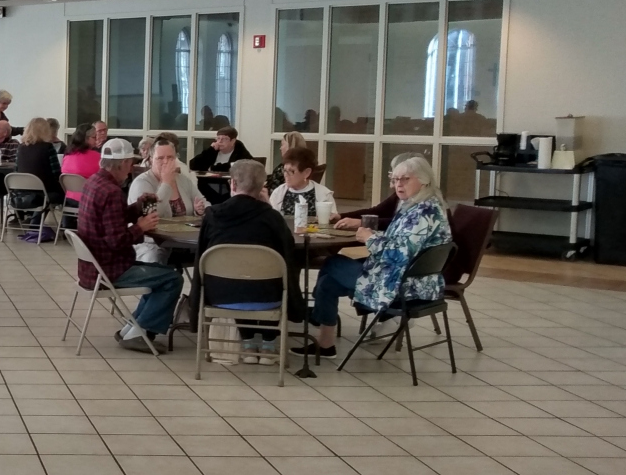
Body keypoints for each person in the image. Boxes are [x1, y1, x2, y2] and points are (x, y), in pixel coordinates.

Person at [301, 154, 452, 359]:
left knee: (333, 263)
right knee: (328, 283)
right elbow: (401, 241)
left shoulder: (423, 213)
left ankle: (313, 317)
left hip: (403, 285)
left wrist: (370, 238)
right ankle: (325, 345)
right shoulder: (419, 204)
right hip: (407, 278)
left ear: (424, 180)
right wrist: (375, 235)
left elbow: (399, 254)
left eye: (405, 179)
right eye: (395, 179)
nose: (398, 184)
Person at [191, 159, 304, 365]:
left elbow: (201, 255)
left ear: (232, 183)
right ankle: (268, 345)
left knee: (235, 273)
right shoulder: (272, 218)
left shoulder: (213, 215)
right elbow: (289, 254)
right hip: (267, 296)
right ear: (262, 187)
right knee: (264, 277)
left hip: (221, 294)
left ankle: (249, 344)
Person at [75, 138, 183, 352]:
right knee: (172, 279)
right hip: (110, 270)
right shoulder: (112, 192)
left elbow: (114, 219)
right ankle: (141, 332)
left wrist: (139, 205)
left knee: (160, 274)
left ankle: (132, 329)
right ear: (123, 163)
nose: (132, 168)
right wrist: (140, 227)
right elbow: (117, 241)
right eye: (130, 163)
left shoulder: (94, 182)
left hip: (92, 269)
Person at [127, 136, 207, 264]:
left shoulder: (183, 180)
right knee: (155, 258)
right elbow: (152, 215)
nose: (166, 162)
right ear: (151, 160)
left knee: (209, 254)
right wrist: (166, 183)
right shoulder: (142, 182)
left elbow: (204, 202)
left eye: (170, 158)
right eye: (160, 158)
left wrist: (199, 210)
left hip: (184, 241)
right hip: (152, 243)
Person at [268, 146, 337, 222]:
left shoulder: (324, 194)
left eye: (291, 171)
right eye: (284, 170)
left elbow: (332, 221)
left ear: (306, 173)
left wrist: (333, 219)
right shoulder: (278, 192)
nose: (286, 175)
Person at [12, 117, 63, 218]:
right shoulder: (48, 148)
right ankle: (64, 223)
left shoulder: (21, 148)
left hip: (22, 193)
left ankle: (34, 221)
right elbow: (56, 173)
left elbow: (16, 170)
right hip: (43, 193)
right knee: (64, 195)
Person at [189, 126, 255, 175]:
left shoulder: (240, 152)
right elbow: (192, 165)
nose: (220, 141)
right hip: (208, 183)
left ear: (233, 141)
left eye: (225, 139)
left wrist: (212, 168)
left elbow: (241, 167)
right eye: (218, 138)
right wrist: (210, 150)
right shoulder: (213, 151)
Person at [61, 128, 100, 205]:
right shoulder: (96, 156)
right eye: (94, 137)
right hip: (89, 199)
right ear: (86, 139)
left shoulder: (67, 155)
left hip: (69, 198)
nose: (96, 140)